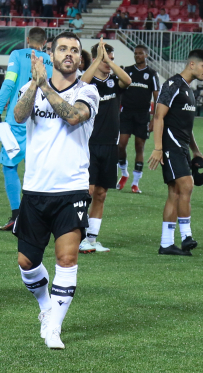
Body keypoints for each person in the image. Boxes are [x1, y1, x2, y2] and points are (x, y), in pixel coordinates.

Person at [10, 32, 99, 349]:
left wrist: (45, 86)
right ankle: (47, 308)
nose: (69, 53)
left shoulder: (88, 91)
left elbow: (74, 116)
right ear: (51, 54)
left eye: (75, 50)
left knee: (66, 258)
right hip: (35, 189)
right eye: (63, 48)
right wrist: (35, 84)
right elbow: (19, 116)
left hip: (72, 189)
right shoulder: (32, 88)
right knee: (25, 262)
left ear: (79, 58)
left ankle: (55, 329)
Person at [148, 50, 203, 256]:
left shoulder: (188, 89)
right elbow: (158, 117)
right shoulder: (172, 85)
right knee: (187, 185)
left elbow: (186, 125)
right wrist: (158, 148)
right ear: (192, 64)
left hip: (182, 147)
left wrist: (195, 150)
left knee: (175, 193)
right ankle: (186, 236)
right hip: (170, 146)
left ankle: (166, 243)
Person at [0, 27, 53, 231]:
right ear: (45, 42)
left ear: (28, 40)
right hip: (42, 120)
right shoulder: (51, 60)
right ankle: (38, 215)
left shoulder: (17, 55)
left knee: (10, 165)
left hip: (18, 119)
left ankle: (16, 216)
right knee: (36, 167)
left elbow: (9, 84)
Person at [78, 40, 131, 254]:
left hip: (110, 145)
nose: (109, 63)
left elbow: (127, 80)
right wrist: (97, 59)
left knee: (101, 193)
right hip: (89, 144)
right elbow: (82, 81)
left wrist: (108, 60)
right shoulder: (88, 83)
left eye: (112, 58)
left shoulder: (114, 82)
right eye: (105, 59)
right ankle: (79, 237)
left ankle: (91, 239)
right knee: (87, 191)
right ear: (95, 60)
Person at [117, 45, 160, 193]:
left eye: (140, 54)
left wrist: (154, 119)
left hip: (143, 115)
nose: (137, 56)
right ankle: (124, 174)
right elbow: (119, 91)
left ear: (146, 55)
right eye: (135, 54)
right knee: (121, 145)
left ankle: (135, 183)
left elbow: (157, 96)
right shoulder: (127, 71)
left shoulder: (152, 74)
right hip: (126, 113)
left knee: (139, 147)